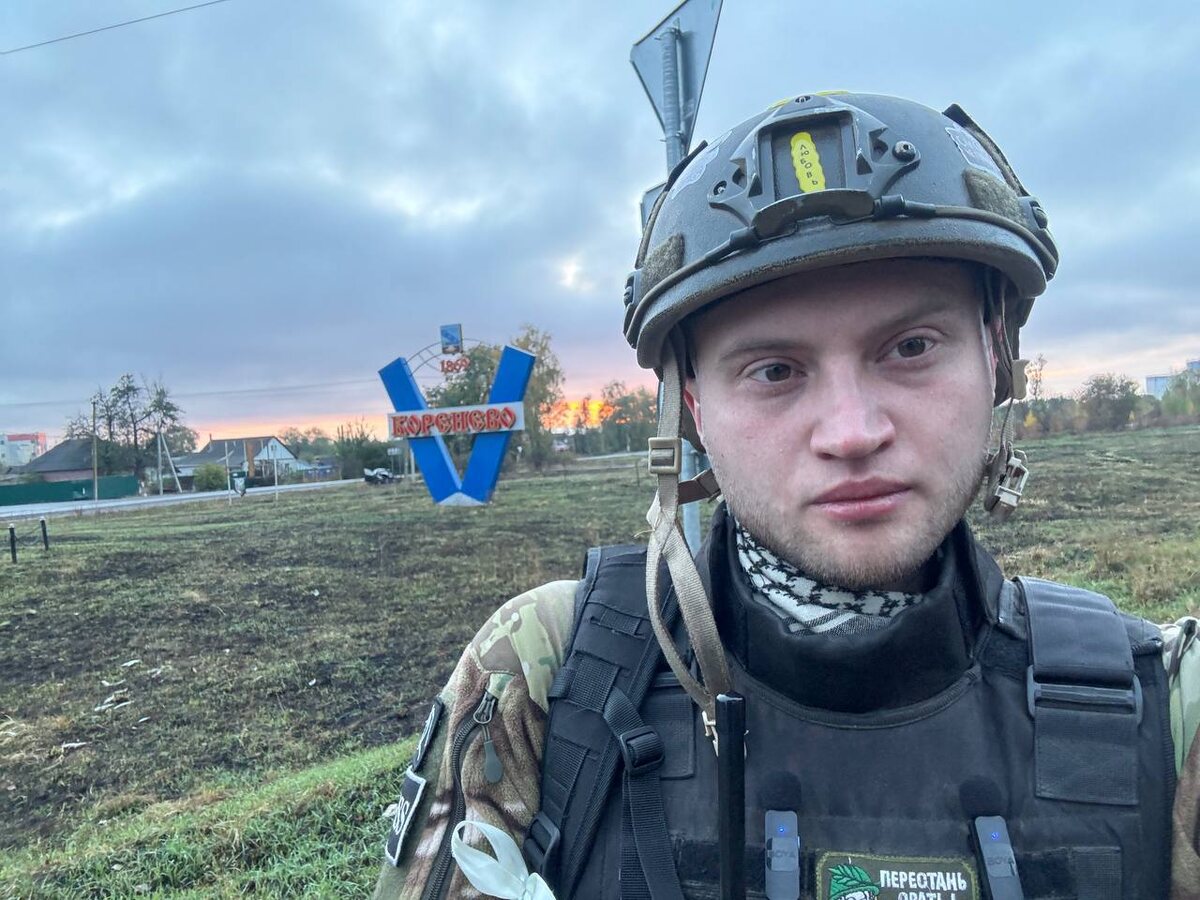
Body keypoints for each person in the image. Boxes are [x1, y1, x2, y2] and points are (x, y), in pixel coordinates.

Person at [373, 92, 1200, 899]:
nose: (852, 431)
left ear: (996, 359)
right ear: (693, 410)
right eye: (774, 370)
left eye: (911, 347)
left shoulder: (1168, 708)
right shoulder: (546, 675)